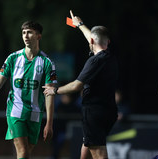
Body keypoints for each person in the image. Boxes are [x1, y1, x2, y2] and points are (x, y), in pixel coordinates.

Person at [0, 21, 57, 159]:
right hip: (15, 111)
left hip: (35, 113)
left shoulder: (47, 62)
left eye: (30, 32)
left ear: (39, 36)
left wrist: (49, 123)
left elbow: (49, 93)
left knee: (26, 153)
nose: (26, 36)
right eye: (24, 33)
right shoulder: (13, 58)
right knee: (23, 152)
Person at [43, 10, 118, 159]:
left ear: (91, 41)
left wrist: (55, 90)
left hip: (94, 112)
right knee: (86, 148)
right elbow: (93, 38)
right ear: (108, 42)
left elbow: (77, 86)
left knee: (99, 154)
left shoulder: (94, 61)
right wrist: (80, 25)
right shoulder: (112, 57)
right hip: (109, 111)